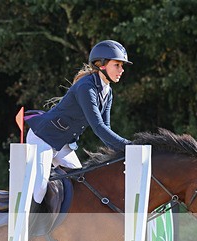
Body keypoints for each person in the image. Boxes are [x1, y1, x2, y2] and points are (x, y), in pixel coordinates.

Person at [25, 39, 132, 202]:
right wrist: (129, 146)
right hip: (43, 138)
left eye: (122, 66)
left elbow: (106, 129)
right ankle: (26, 226)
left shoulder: (107, 92)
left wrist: (123, 150)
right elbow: (98, 126)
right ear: (102, 64)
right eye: (117, 65)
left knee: (80, 183)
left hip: (62, 144)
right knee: (39, 189)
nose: (121, 70)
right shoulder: (86, 87)